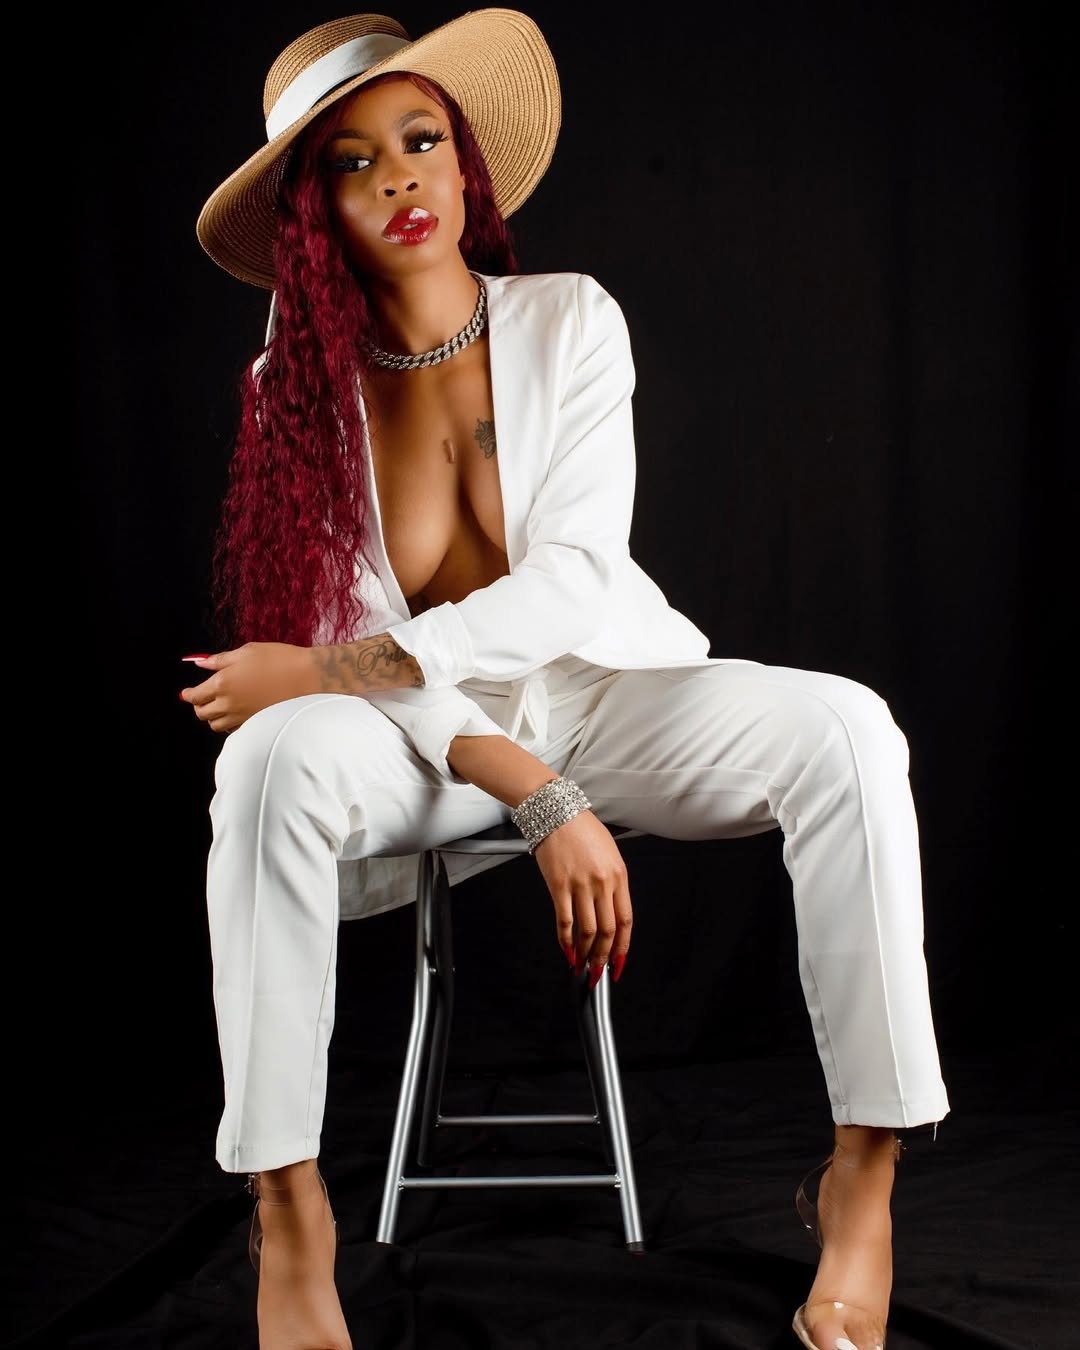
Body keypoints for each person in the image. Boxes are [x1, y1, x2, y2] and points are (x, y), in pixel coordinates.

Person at [182, 10, 951, 1350]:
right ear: (313, 213)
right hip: (423, 739)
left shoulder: (569, 319)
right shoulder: (289, 386)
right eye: (355, 163)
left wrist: (328, 668)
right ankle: (287, 1206)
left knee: (849, 729)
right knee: (262, 760)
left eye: (421, 140)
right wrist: (529, 789)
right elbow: (358, 639)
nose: (401, 179)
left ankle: (864, 1182)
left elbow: (577, 581)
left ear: (464, 159)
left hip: (602, 691)